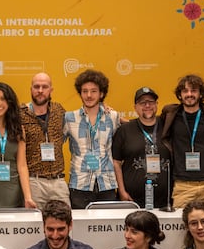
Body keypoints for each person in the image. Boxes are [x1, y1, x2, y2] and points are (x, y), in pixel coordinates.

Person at [64, 69, 120, 209]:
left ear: (101, 93)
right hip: (79, 185)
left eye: (94, 91)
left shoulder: (113, 117)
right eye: (85, 91)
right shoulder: (69, 118)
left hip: (106, 185)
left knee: (107, 229)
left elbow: (133, 127)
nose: (89, 95)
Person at [161, 74, 204, 208]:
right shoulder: (170, 114)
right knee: (179, 224)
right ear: (180, 95)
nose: (189, 94)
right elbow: (149, 122)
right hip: (182, 182)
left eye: (194, 90)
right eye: (185, 91)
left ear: (201, 94)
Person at [112, 87, 171, 208]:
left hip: (166, 199)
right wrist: (122, 191)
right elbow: (116, 162)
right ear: (135, 107)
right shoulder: (124, 130)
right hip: (132, 199)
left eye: (151, 102)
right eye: (143, 103)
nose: (147, 105)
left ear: (157, 105)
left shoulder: (168, 126)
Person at [20, 72, 71, 209]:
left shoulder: (59, 110)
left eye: (44, 87)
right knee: (35, 227)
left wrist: (105, 108)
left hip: (58, 181)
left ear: (51, 90)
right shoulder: (21, 114)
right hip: (34, 182)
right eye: (36, 87)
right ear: (31, 89)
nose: (40, 91)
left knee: (64, 225)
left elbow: (84, 116)